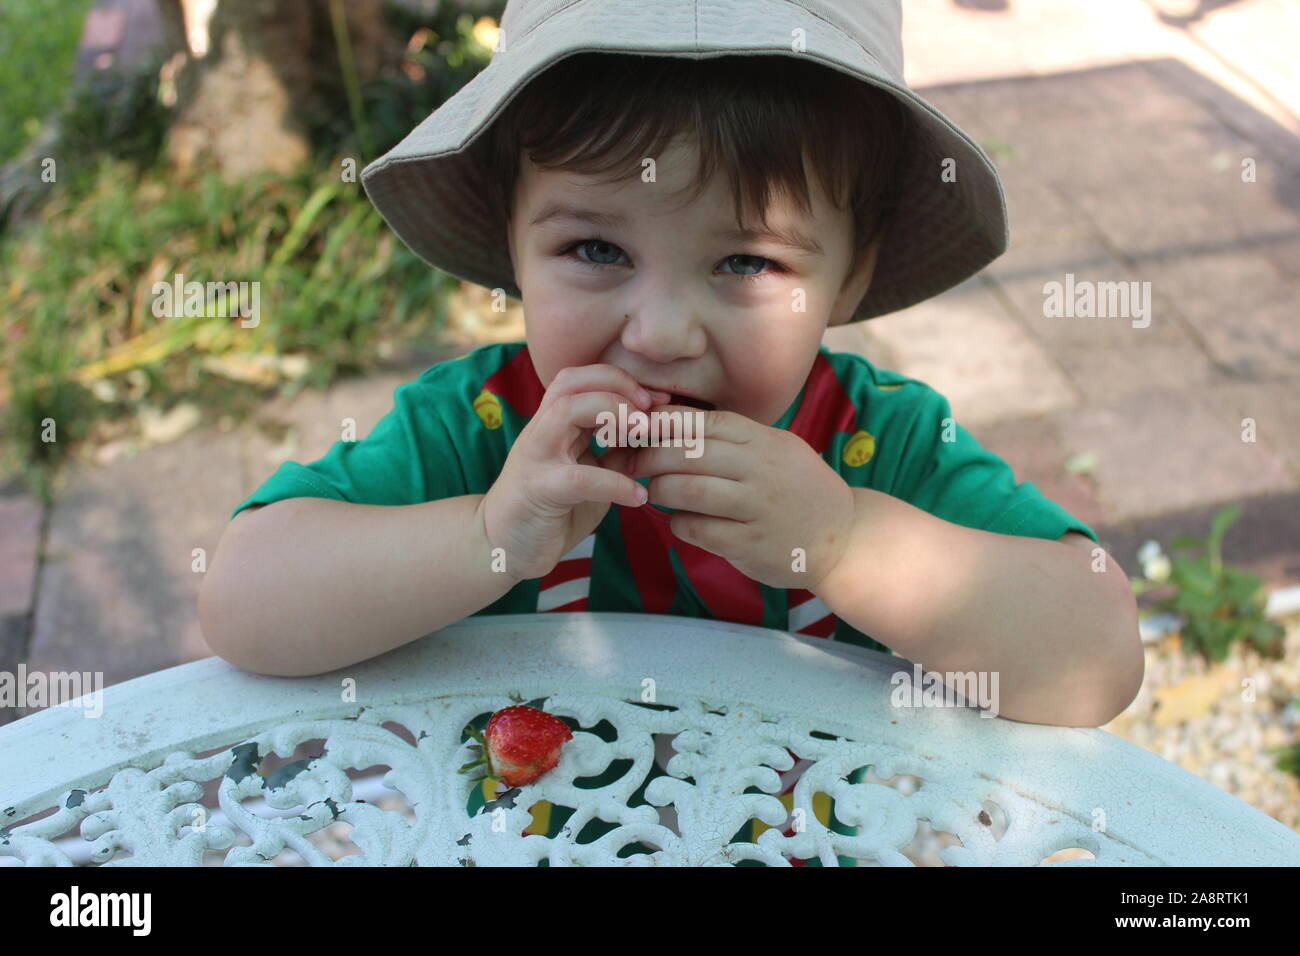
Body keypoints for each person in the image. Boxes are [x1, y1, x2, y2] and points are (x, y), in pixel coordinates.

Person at [199, 0, 1143, 866]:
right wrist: (483, 537)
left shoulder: (873, 443)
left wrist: (850, 541)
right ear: (513, 246)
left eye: (746, 261)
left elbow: (1093, 660)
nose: (660, 334)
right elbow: (244, 601)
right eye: (596, 250)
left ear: (854, 278)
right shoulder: (479, 428)